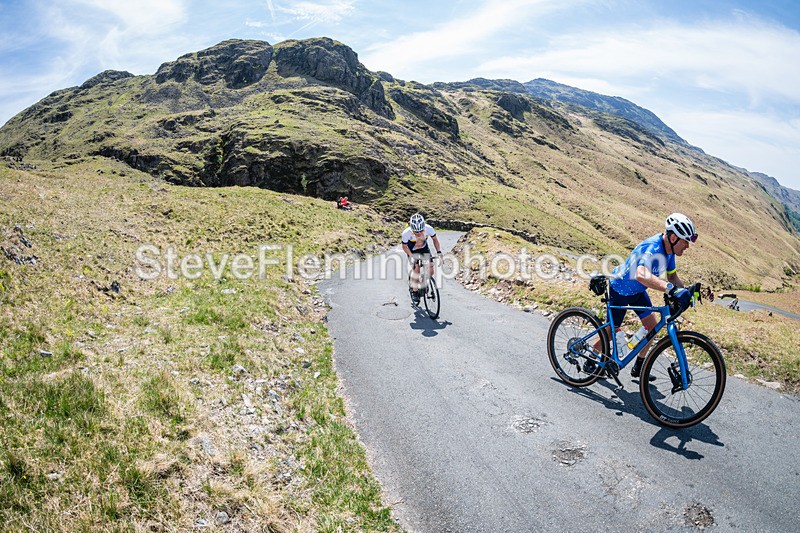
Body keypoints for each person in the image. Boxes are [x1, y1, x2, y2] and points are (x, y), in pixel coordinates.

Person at [594, 213, 696, 380]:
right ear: (673, 237)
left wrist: (686, 292)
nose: (687, 246)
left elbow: (672, 277)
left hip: (638, 292)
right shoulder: (653, 248)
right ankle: (591, 360)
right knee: (609, 334)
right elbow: (641, 274)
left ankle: (639, 367)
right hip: (620, 291)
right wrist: (670, 289)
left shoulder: (669, 252)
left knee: (652, 327)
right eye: (685, 241)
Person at [402, 213, 442, 305]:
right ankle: (415, 291)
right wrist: (411, 256)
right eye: (416, 232)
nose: (419, 233)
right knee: (416, 270)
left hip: (424, 249)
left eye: (421, 231)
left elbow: (435, 240)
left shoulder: (429, 228)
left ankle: (423, 283)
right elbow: (404, 246)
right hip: (412, 251)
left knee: (431, 271)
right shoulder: (406, 233)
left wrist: (439, 252)